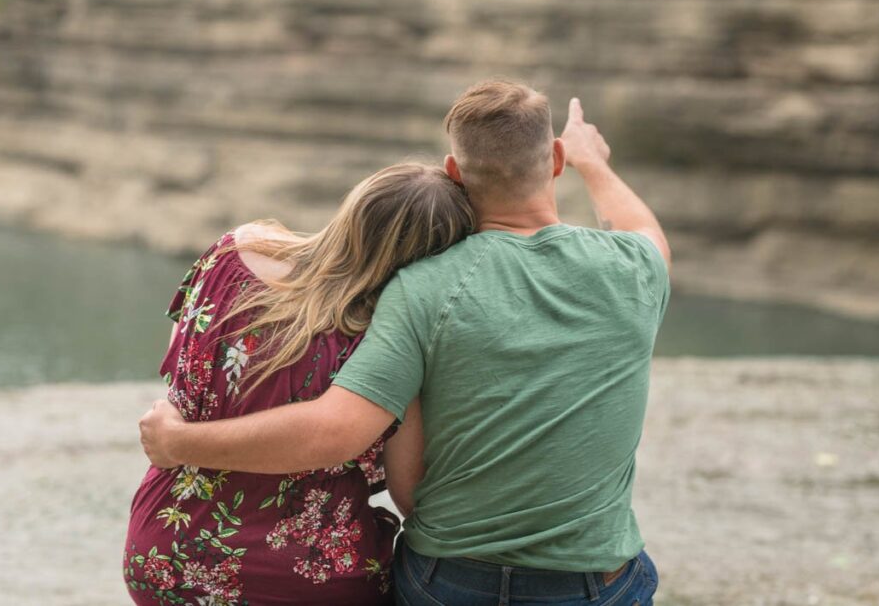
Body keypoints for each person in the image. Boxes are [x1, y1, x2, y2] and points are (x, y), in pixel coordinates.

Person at [140, 80, 672, 606]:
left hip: (450, 581)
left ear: (455, 173)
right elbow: (645, 230)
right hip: (592, 584)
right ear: (555, 159)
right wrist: (594, 163)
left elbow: (348, 438)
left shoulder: (419, 287)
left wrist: (177, 443)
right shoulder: (636, 268)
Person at [123, 163, 475, 606]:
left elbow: (181, 371)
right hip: (303, 574)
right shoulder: (386, 343)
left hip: (165, 550)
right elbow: (409, 490)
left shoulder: (232, 251)